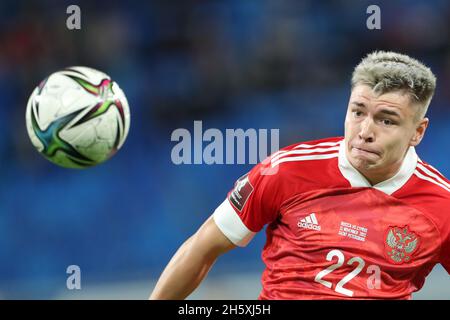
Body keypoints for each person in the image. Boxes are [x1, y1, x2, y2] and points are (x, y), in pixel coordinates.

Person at [149, 51, 450, 299]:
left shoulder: (441, 205)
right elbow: (204, 245)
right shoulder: (288, 169)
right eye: (358, 112)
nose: (365, 132)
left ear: (418, 132)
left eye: (387, 120)